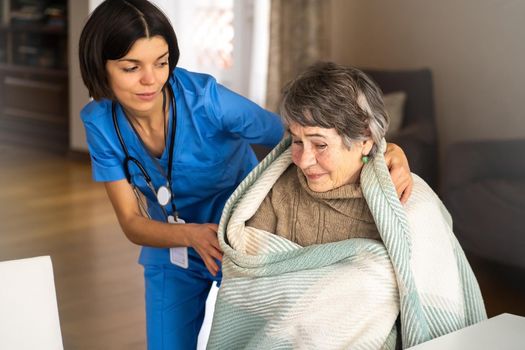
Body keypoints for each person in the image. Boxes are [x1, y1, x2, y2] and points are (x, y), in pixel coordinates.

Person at [78, 1, 413, 348]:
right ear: (101, 67)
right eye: (131, 67)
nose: (151, 80)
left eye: (161, 63)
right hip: (173, 242)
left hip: (242, 239)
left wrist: (382, 147)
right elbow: (131, 222)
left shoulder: (206, 100)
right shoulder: (100, 122)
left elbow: (294, 134)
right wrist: (190, 236)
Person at [207, 62, 486, 350]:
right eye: (297, 140)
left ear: (365, 139)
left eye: (320, 145)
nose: (303, 160)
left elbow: (431, 300)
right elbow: (249, 285)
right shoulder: (277, 193)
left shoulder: (407, 204)